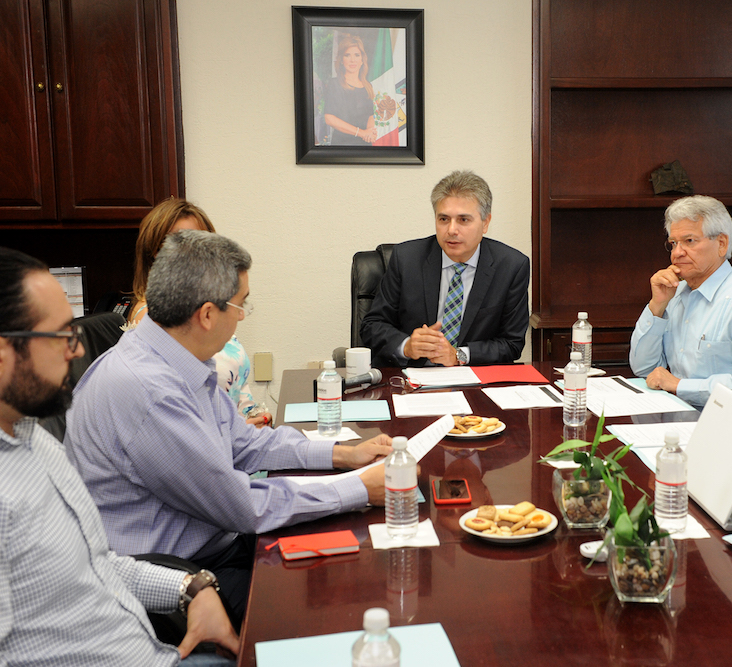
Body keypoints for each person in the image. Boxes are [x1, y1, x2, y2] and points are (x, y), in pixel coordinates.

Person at [65, 231, 392, 626]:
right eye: (241, 305)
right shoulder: (148, 390)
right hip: (172, 581)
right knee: (327, 607)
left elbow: (245, 444)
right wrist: (358, 488)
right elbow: (241, 505)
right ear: (206, 314)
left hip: (213, 544)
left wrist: (342, 454)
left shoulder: (179, 357)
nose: (242, 316)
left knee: (355, 564)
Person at [0, 247, 238, 666]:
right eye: (62, 336)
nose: (76, 351)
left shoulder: (36, 439)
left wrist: (190, 588)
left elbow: (97, 563)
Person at [360, 170, 530, 367]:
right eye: (443, 219)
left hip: (473, 380)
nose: (451, 230)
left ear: (485, 223)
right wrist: (407, 346)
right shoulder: (406, 259)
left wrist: (459, 355)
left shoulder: (511, 267)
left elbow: (512, 343)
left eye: (463, 220)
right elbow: (372, 325)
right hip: (410, 378)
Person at [131, 197, 270, 427]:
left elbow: (236, 385)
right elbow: (174, 418)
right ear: (157, 253)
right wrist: (240, 433)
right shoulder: (151, 318)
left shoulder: (209, 307)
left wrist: (257, 417)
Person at [629, 195, 732, 407]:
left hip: (724, 423)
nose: (677, 253)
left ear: (721, 243)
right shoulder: (675, 293)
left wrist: (679, 386)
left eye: (689, 241)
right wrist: (657, 306)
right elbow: (644, 369)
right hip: (676, 414)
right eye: (673, 243)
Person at [323, 34, 376, 145]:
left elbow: (371, 115)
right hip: (342, 146)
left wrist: (370, 132)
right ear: (341, 60)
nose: (353, 60)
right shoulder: (334, 84)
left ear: (362, 59)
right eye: (347, 55)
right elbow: (329, 118)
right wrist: (361, 133)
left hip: (365, 145)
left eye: (357, 55)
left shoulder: (368, 86)